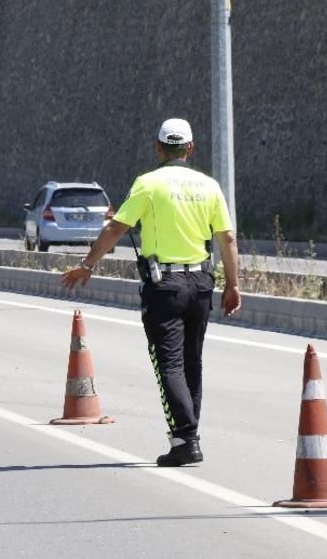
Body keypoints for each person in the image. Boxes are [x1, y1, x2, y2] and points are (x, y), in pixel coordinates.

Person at [60, 118, 241, 467]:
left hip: (165, 286)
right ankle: (189, 436)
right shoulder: (209, 186)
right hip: (202, 284)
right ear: (190, 148)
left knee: (169, 365)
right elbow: (228, 238)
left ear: (158, 148)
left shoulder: (148, 184)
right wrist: (233, 285)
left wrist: (88, 264)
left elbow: (116, 227)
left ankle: (186, 439)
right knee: (192, 363)